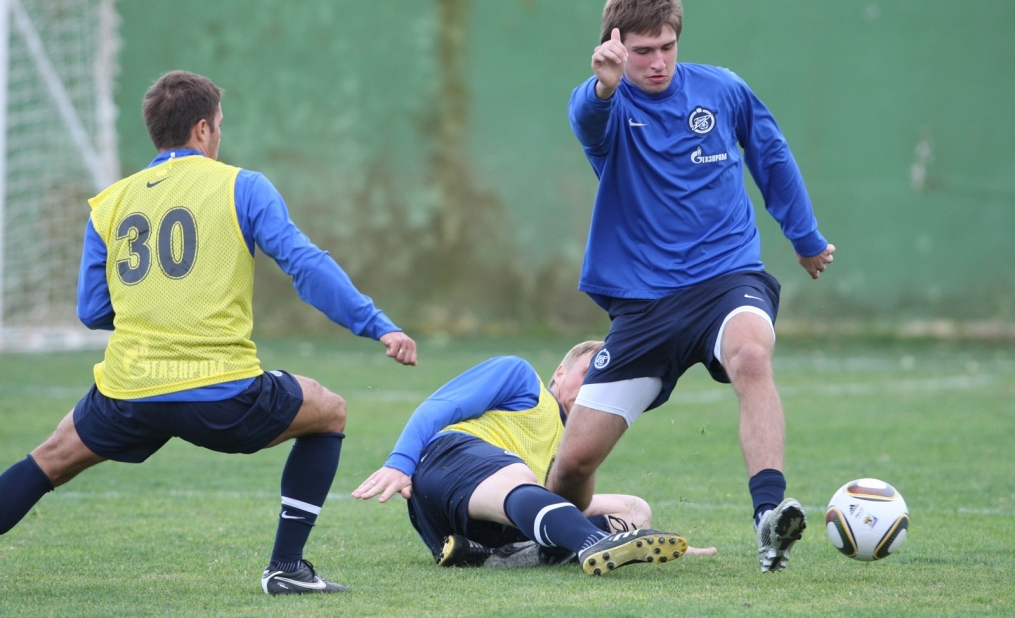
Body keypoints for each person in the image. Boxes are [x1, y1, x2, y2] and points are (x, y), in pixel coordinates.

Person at [0, 70, 418, 595]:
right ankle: (286, 568)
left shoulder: (109, 205)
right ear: (202, 129)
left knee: (49, 458)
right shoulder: (242, 185)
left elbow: (92, 311)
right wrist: (376, 324)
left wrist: (156, 307)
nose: (220, 136)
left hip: (130, 391)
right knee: (328, 410)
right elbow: (305, 265)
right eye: (218, 126)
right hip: (223, 394)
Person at [546, 0, 836, 573]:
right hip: (645, 304)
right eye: (642, 51)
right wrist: (602, 88)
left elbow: (772, 155)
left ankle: (768, 517)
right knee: (573, 464)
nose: (657, 63)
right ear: (616, 47)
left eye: (667, 47)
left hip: (726, 278)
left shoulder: (722, 91)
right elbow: (587, 119)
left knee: (751, 355)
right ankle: (560, 540)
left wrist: (805, 239)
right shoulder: (606, 102)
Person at [353, 341, 715, 576]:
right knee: (520, 475)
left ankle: (494, 556)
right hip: (447, 464)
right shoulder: (522, 379)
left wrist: (657, 542)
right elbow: (439, 406)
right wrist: (399, 461)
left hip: (481, 524)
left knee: (634, 509)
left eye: (605, 383)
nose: (594, 388)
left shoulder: (577, 445)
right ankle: (590, 542)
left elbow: (564, 499)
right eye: (589, 374)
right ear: (560, 372)